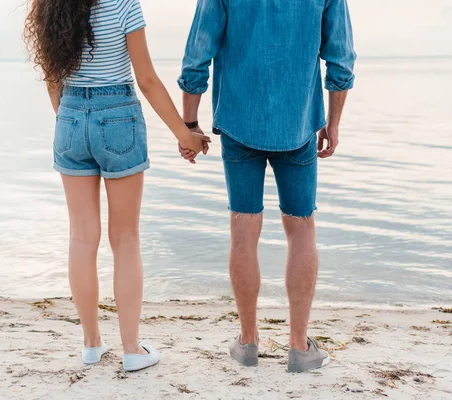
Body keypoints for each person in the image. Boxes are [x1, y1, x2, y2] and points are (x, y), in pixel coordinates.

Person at [24, 0, 210, 372]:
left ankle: (91, 344)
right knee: (125, 238)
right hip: (118, 116)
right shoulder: (124, 5)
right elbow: (147, 79)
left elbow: (52, 78)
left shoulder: (49, 6)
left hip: (71, 117)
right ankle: (131, 350)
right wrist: (184, 133)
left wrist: (72, 122)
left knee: (81, 237)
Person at [178, 0, 356, 372]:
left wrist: (189, 122)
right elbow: (340, 59)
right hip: (299, 125)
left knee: (243, 228)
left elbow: (198, 54)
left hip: (239, 122)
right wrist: (334, 122)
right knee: (302, 227)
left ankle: (247, 343)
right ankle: (298, 346)